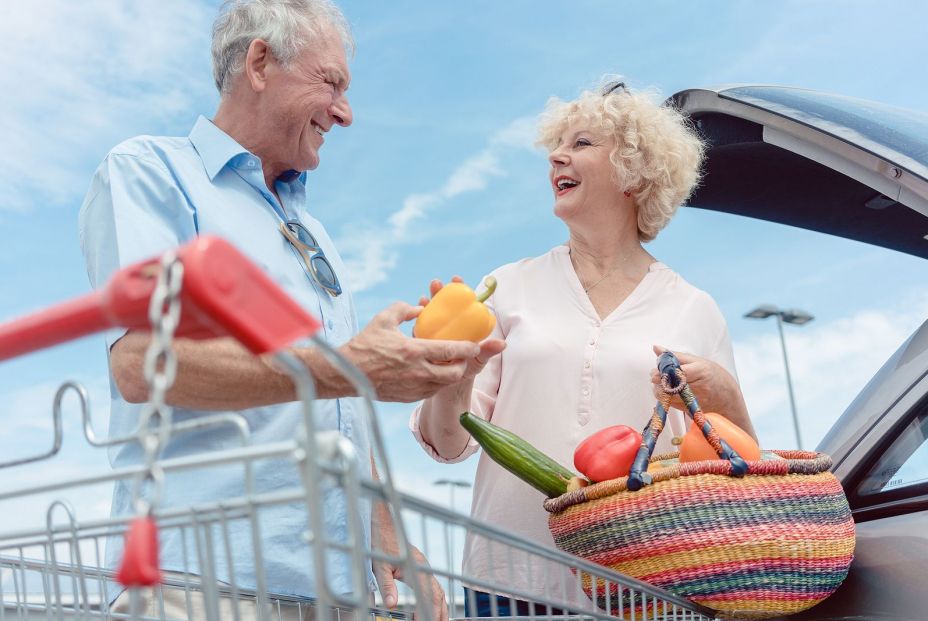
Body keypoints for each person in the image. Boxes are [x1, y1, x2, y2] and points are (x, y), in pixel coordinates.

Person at [78, 1, 483, 618]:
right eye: (332, 83)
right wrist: (347, 366)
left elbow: (340, 406)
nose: (345, 113)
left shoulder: (314, 231)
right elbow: (139, 364)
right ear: (261, 62)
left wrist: (386, 530)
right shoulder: (150, 173)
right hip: (199, 583)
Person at [410, 80, 757, 614]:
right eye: (558, 145)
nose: (556, 156)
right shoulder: (509, 286)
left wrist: (727, 393)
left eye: (582, 143)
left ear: (636, 172)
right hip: (509, 583)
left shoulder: (693, 308)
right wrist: (454, 375)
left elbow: (738, 463)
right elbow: (449, 445)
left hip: (643, 585)